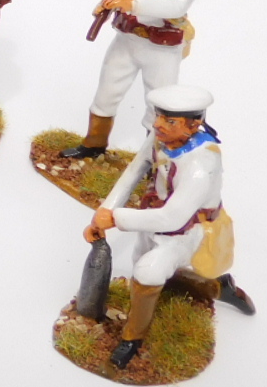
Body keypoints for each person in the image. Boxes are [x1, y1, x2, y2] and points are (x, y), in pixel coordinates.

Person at [86, 84, 253, 369]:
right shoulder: (161, 137)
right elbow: (134, 171)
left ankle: (132, 338)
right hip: (151, 217)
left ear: (193, 125)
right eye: (158, 116)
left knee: (147, 271)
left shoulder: (202, 163)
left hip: (188, 231)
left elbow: (173, 218)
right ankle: (214, 287)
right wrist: (104, 211)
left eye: (170, 121)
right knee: (141, 262)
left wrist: (115, 219)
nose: (158, 125)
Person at [64, 0, 203, 159]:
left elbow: (177, 7)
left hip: (162, 48)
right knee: (106, 93)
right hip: (127, 39)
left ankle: (153, 159)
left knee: (158, 105)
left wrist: (132, 3)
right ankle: (93, 144)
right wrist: (105, 5)